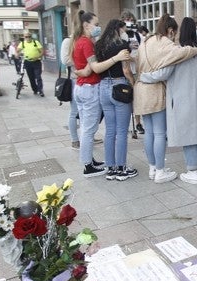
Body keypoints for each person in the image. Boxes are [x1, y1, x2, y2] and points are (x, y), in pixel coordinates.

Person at [135, 14, 197, 183]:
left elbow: (164, 73)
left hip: (164, 96)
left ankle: (158, 169)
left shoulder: (149, 43)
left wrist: (142, 78)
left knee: (180, 135)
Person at [71, 10, 131, 177]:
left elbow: (75, 63)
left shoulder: (78, 41)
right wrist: (116, 58)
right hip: (90, 88)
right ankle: (88, 165)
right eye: (96, 25)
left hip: (83, 87)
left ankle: (98, 163)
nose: (98, 28)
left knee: (93, 128)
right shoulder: (87, 43)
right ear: (86, 25)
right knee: (90, 130)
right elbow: (96, 67)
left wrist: (83, 70)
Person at [95, 20, 138, 181]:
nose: (125, 32)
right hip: (120, 87)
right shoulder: (122, 45)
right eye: (124, 29)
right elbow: (126, 70)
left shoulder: (99, 45)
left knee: (110, 131)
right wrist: (133, 84)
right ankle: (121, 168)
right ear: (119, 29)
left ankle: (111, 168)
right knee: (121, 132)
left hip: (103, 88)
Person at [121, 9, 145, 135]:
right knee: (125, 97)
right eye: (127, 20)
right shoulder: (121, 36)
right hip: (124, 70)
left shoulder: (138, 36)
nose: (129, 22)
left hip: (137, 69)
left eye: (131, 20)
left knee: (137, 97)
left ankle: (138, 123)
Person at [60, 36, 80, 150]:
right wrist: (82, 59)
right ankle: (74, 140)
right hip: (74, 79)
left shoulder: (88, 39)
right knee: (74, 111)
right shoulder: (68, 41)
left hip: (87, 79)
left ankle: (87, 136)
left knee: (86, 113)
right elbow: (65, 60)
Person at [17, 31, 45, 97]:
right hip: (28, 62)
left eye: (29, 36)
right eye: (26, 37)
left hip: (36, 62)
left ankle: (40, 90)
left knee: (38, 76)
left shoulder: (36, 42)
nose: (28, 38)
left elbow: (42, 51)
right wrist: (17, 54)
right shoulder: (22, 43)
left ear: (31, 37)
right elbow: (17, 50)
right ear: (24, 37)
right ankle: (35, 89)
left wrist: (37, 57)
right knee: (31, 78)